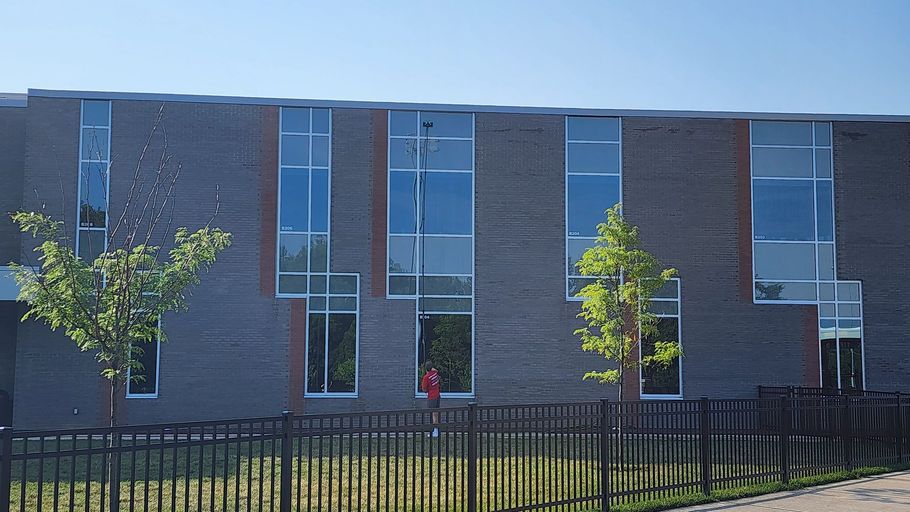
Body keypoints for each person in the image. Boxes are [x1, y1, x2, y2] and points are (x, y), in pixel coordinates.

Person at [420, 360, 441, 437]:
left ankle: (435, 432)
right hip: (438, 395)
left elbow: (424, 390)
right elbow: (435, 370)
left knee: (433, 414)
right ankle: (437, 430)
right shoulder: (435, 374)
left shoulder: (426, 377)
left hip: (432, 397)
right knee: (436, 413)